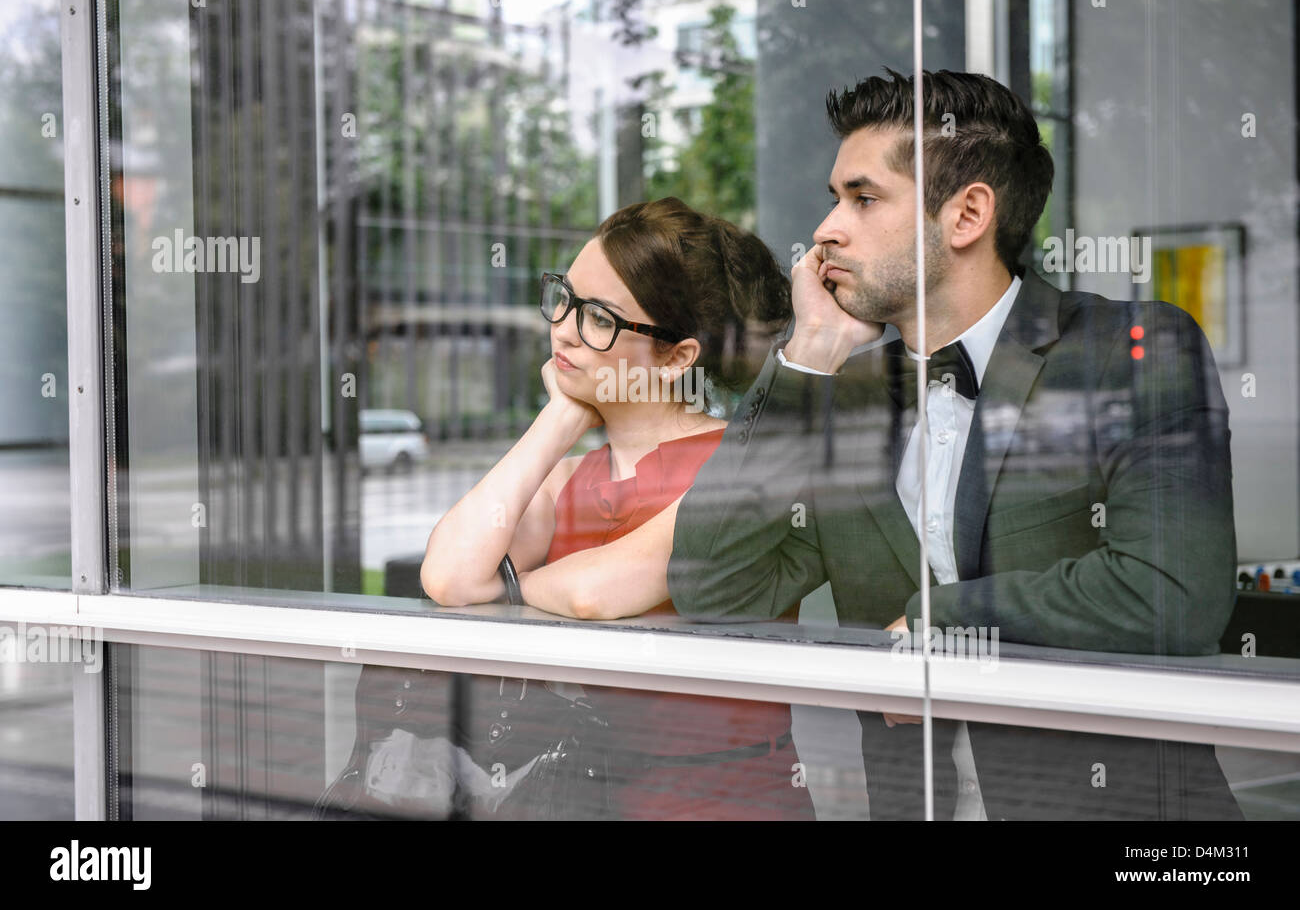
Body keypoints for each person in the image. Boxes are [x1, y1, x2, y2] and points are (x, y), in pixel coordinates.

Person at [667, 69, 1244, 820]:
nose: (825, 229)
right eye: (835, 198)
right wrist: (804, 357)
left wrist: (940, 623)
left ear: (967, 214)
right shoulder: (839, 393)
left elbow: (1174, 594)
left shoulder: (1132, 352)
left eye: (863, 198)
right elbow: (714, 585)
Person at [421, 197, 815, 820]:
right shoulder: (570, 474)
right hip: (583, 790)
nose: (564, 329)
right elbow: (450, 576)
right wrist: (559, 417)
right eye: (566, 299)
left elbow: (592, 596)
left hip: (720, 798)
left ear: (677, 357)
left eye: (599, 318)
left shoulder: (740, 465)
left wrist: (511, 587)